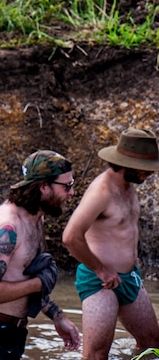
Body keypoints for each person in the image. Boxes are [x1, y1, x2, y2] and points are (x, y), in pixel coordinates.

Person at [0, 150, 82, 359]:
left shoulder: (36, 218)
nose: (71, 193)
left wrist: (57, 316)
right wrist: (39, 283)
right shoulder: (7, 227)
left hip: (12, 330)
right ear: (44, 187)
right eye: (67, 186)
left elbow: (24, 276)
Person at [62, 128, 159, 360]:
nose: (151, 173)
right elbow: (70, 236)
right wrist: (101, 269)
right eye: (146, 168)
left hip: (129, 277)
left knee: (152, 344)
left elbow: (123, 227)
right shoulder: (101, 191)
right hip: (100, 281)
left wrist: (131, 255)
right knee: (96, 355)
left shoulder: (129, 185)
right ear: (128, 163)